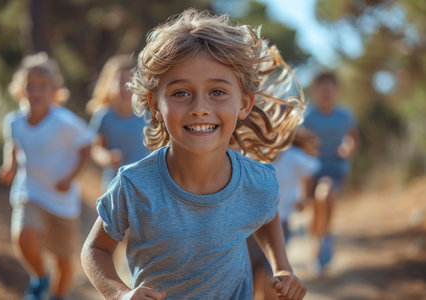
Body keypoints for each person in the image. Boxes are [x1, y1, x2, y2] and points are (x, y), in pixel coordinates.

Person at [81, 9, 307, 300]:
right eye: (180, 93)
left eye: (217, 92)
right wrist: (120, 294)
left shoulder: (258, 181)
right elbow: (95, 249)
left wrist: (282, 267)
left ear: (245, 104)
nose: (200, 107)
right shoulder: (134, 185)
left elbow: (266, 212)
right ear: (154, 105)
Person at [0, 52, 93, 300]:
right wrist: (9, 165)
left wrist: (70, 178)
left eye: (43, 86)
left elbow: (86, 147)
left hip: (62, 202)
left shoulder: (65, 122)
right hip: (30, 190)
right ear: (21, 89)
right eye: (30, 85)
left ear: (55, 91)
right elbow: (14, 144)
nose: (36, 91)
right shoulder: (14, 122)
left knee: (63, 261)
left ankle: (57, 296)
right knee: (23, 235)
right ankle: (40, 277)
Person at [248, 128, 319, 300]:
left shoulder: (294, 156)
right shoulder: (252, 158)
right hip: (249, 230)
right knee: (250, 283)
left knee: (270, 282)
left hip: (281, 224)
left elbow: (310, 171)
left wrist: (304, 197)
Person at [303, 71, 359, 271]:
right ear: (315, 91)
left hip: (335, 170)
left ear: (337, 91)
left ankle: (322, 244)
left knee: (324, 195)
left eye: (330, 88)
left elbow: (352, 137)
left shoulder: (344, 115)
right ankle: (320, 244)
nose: (326, 92)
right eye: (322, 88)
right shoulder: (308, 116)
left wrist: (348, 147)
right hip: (311, 172)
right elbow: (300, 143)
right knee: (316, 210)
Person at [86, 55, 148, 189]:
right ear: (109, 84)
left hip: (145, 186)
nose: (126, 88)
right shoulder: (104, 116)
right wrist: (107, 158)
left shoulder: (148, 115)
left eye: (131, 83)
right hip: (115, 186)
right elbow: (95, 149)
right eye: (120, 82)